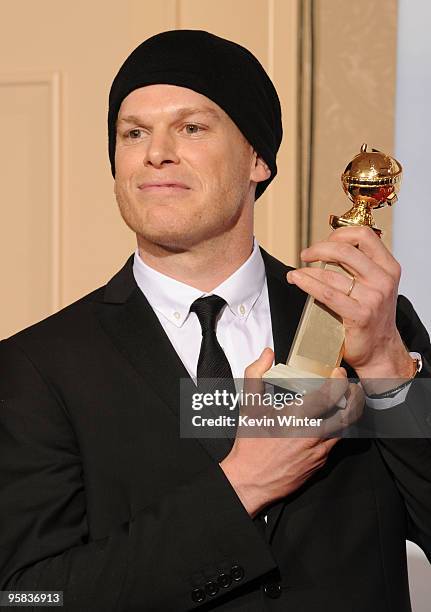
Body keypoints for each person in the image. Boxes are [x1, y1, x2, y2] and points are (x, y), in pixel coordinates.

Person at [0, 29, 430, 612]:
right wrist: (244, 483)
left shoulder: (369, 323)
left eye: (192, 127)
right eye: (133, 133)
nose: (156, 152)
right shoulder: (37, 366)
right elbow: (29, 595)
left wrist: (386, 370)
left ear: (257, 158)